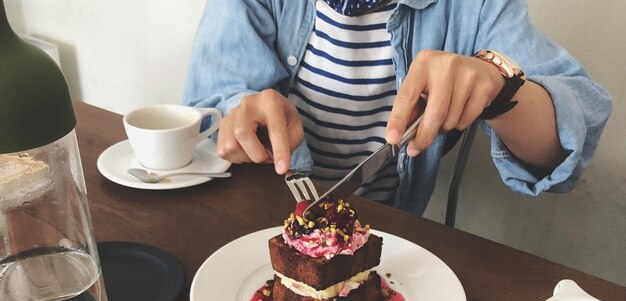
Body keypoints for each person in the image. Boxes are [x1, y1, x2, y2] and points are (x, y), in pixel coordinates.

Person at [184, 0, 611, 216]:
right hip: (250, 225)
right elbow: (205, 117)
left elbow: (567, 148)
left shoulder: (474, 6)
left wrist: (499, 85)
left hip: (388, 240)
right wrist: (239, 117)